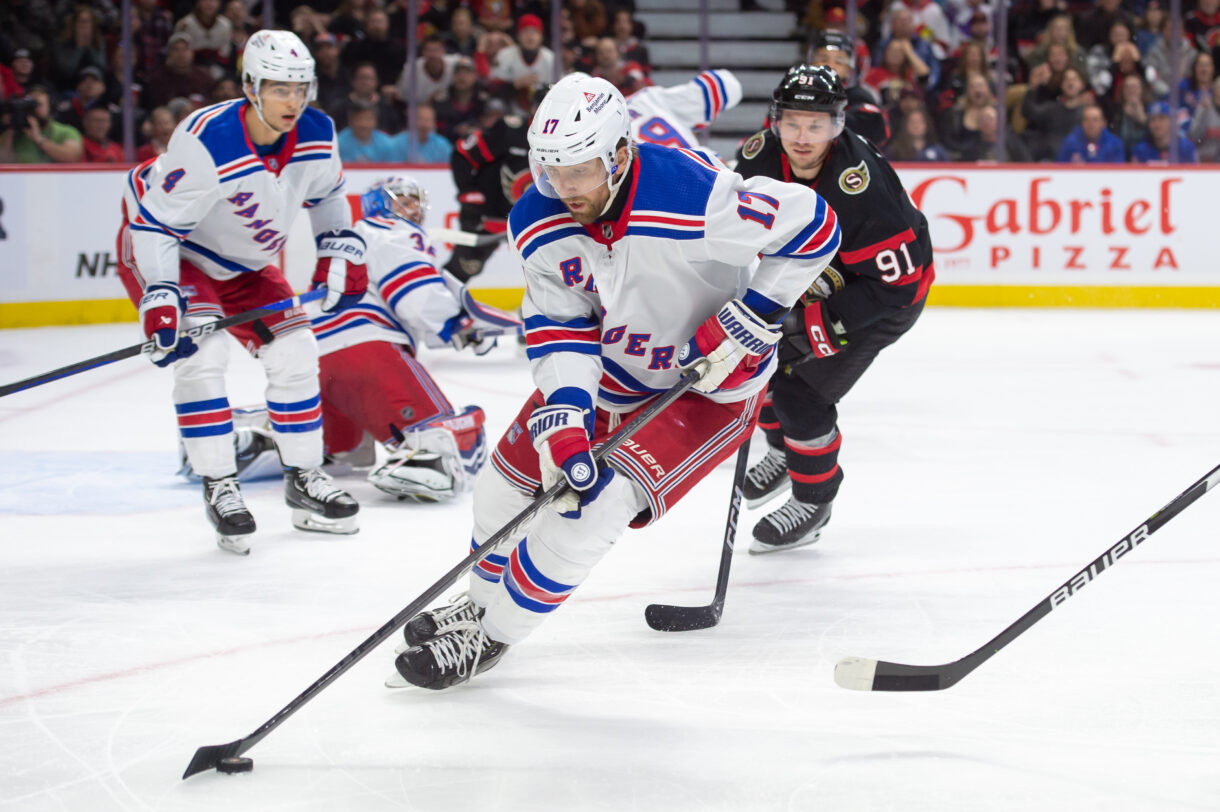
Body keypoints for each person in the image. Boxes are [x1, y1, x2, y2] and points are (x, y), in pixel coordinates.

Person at [389, 72, 841, 690]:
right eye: (552, 170)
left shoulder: (693, 195)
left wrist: (752, 316)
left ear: (620, 153)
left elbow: (814, 224)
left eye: (580, 170)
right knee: (500, 488)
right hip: (611, 374)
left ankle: (489, 636)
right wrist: (567, 419)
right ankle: (480, 601)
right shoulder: (536, 216)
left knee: (590, 510)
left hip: (706, 390)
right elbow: (559, 322)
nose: (564, 187)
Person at [114, 30, 366, 555]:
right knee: (202, 355)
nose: (293, 101)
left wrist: (337, 250)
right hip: (175, 249)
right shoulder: (208, 137)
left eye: (301, 88)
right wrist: (161, 294)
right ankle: (219, 485)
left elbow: (329, 198)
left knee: (297, 349)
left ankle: (303, 475)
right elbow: (155, 227)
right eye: (279, 89)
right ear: (251, 86)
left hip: (246, 263)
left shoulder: (319, 132)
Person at [732, 65, 933, 553]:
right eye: (793, 122)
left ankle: (814, 500)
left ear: (837, 125)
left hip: (881, 299)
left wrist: (806, 324)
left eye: (816, 125)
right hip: (812, 279)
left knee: (801, 397)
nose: (802, 137)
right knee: (756, 361)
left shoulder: (861, 189)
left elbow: (897, 285)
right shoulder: (756, 159)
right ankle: (783, 454)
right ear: (776, 120)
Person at [308, 176, 497, 501]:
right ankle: (421, 459)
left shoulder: (349, 240)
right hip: (369, 354)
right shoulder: (390, 230)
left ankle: (300, 444)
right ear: (379, 205)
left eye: (416, 201)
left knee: (348, 453)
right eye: (402, 200)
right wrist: (457, 322)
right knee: (451, 441)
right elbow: (414, 295)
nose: (413, 208)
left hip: (319, 366)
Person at [808, 30, 889, 147]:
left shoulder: (858, 96)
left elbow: (878, 130)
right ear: (811, 63)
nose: (830, 65)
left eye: (839, 61)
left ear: (848, 70)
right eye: (823, 59)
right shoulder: (793, 93)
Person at [0, 85, 84, 164]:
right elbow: (3, 161)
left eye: (39, 104)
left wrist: (39, 139)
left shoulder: (66, 131)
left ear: (49, 107)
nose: (34, 110)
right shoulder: (14, 133)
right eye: (29, 106)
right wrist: (11, 128)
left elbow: (73, 157)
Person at [1131, 101, 1200, 163]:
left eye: (1161, 118)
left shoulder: (1187, 147)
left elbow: (1195, 174)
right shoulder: (1140, 150)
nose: (1156, 124)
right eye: (1152, 119)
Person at [1057, 103, 1125, 162]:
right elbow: (1059, 169)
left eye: (1095, 120)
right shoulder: (1070, 142)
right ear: (1082, 123)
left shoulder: (1115, 144)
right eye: (1086, 119)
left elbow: (1118, 172)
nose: (1091, 124)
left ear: (1103, 123)